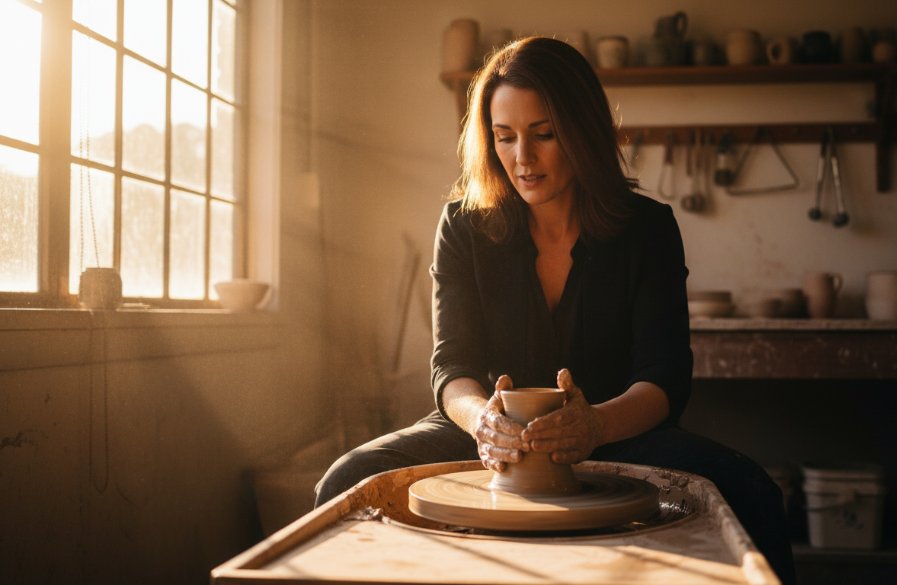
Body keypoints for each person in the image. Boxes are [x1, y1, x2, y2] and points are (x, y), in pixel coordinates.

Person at [314, 36, 795, 584]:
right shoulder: (464, 227)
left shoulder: (647, 229)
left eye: (543, 134)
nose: (523, 157)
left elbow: (663, 379)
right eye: (505, 137)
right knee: (346, 480)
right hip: (488, 430)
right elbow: (452, 369)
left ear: (583, 131)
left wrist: (593, 425)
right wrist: (483, 423)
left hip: (617, 427)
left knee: (752, 492)